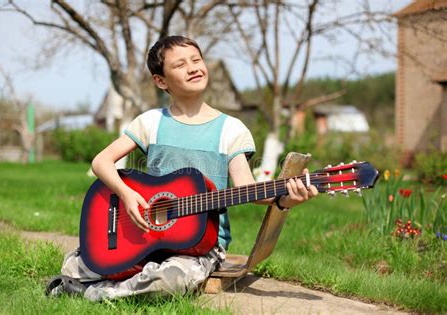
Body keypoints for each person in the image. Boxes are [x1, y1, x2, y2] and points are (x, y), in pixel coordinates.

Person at [46, 36, 318, 301]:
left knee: (170, 280)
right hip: (145, 233)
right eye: (180, 65)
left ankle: (96, 291)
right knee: (77, 264)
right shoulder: (151, 121)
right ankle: (127, 275)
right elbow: (101, 162)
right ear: (161, 80)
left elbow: (248, 189)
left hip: (199, 245)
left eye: (196, 59)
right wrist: (126, 194)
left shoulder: (231, 129)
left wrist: (284, 198)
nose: (193, 68)